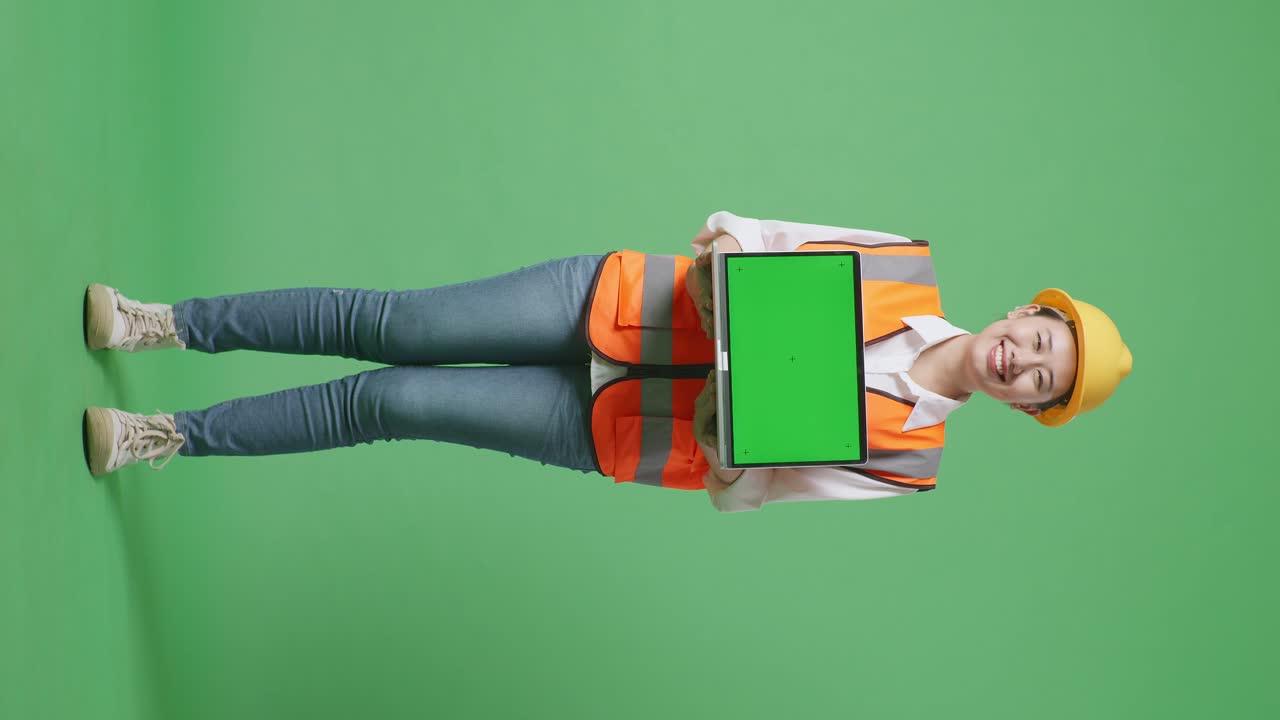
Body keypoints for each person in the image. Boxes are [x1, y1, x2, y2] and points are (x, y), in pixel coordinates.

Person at [82, 210, 1132, 512]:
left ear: (1024, 407)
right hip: (615, 300)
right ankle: (161, 325)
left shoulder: (906, 464)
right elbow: (749, 229)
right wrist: (725, 246)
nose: (1022, 362)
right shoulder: (901, 261)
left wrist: (731, 460)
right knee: (393, 324)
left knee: (387, 401)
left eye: (1041, 380)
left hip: (614, 435)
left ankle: (165, 435)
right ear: (1018, 312)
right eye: (1038, 340)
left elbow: (748, 495)